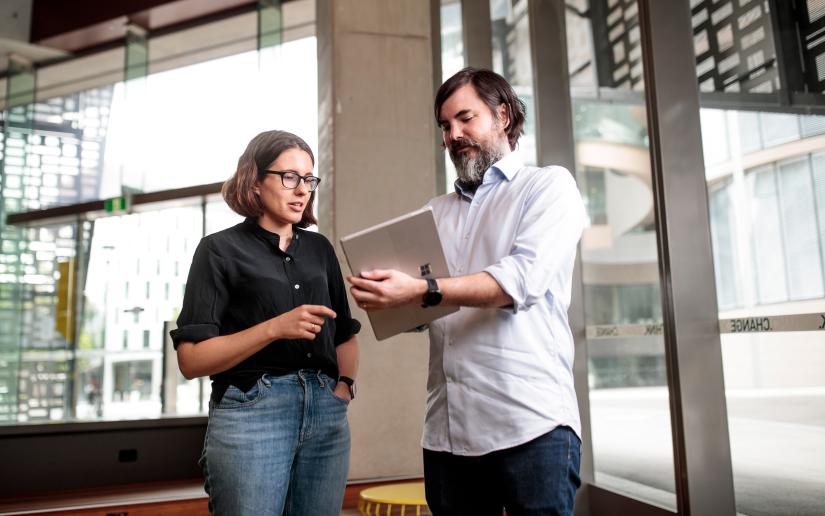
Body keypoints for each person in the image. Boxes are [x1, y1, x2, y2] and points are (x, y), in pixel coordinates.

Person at [347, 68, 586, 515]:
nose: (453, 135)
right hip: (448, 434)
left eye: (464, 119)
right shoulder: (435, 212)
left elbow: (520, 281)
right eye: (444, 126)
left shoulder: (548, 187)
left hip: (530, 425)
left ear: (503, 116)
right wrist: (392, 301)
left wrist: (423, 288)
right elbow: (428, 307)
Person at [171, 130, 361, 516]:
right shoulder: (218, 250)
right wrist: (275, 328)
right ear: (254, 181)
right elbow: (191, 361)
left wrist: (344, 387)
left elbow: (344, 333)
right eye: (289, 177)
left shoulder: (319, 248)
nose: (302, 189)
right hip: (252, 411)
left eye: (308, 179)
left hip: (326, 412)